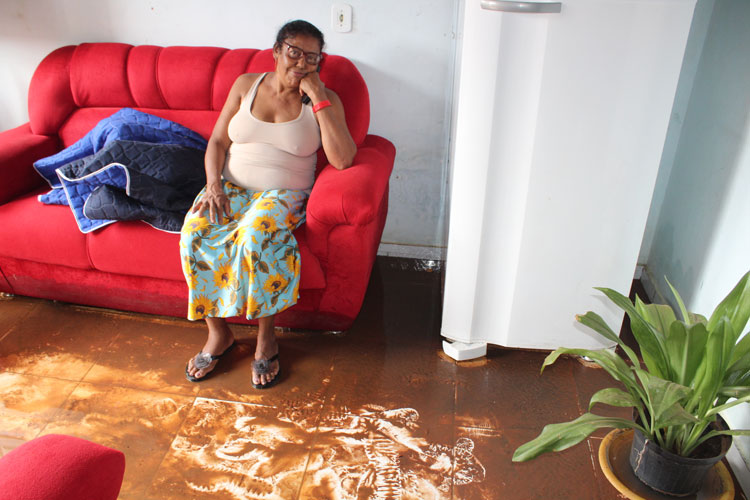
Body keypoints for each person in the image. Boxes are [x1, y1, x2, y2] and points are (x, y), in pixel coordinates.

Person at [180, 20, 356, 389]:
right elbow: (216, 142)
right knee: (194, 234)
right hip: (230, 186)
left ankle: (266, 339)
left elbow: (342, 160)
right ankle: (219, 335)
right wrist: (214, 186)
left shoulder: (326, 99)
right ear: (276, 51)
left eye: (313, 57)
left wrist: (319, 95)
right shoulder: (246, 84)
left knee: (255, 239)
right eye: (294, 51)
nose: (302, 62)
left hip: (283, 194)